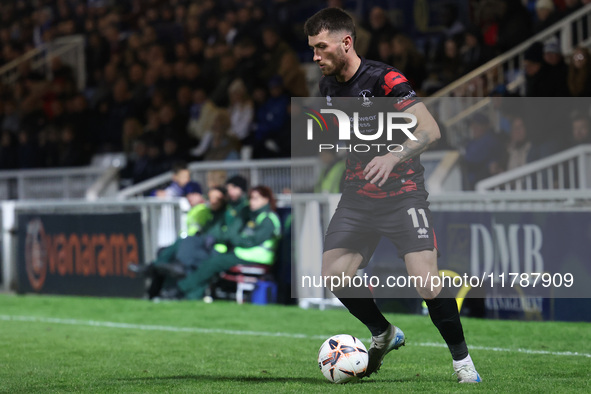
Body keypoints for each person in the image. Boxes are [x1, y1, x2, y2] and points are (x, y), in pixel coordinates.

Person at [304, 8, 481, 383]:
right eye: (312, 49)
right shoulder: (328, 88)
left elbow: (431, 130)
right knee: (334, 276)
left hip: (403, 195)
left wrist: (393, 154)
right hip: (358, 196)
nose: (315, 57)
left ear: (346, 42)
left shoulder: (385, 79)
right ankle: (383, 333)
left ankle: (463, 364)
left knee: (426, 282)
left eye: (321, 47)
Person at [170, 185, 282, 300]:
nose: (252, 202)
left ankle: (181, 288)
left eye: (256, 198)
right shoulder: (251, 215)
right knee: (207, 261)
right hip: (244, 253)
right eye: (251, 198)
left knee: (213, 263)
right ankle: (190, 293)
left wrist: (235, 239)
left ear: (266, 199)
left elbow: (251, 241)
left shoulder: (268, 219)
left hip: (256, 257)